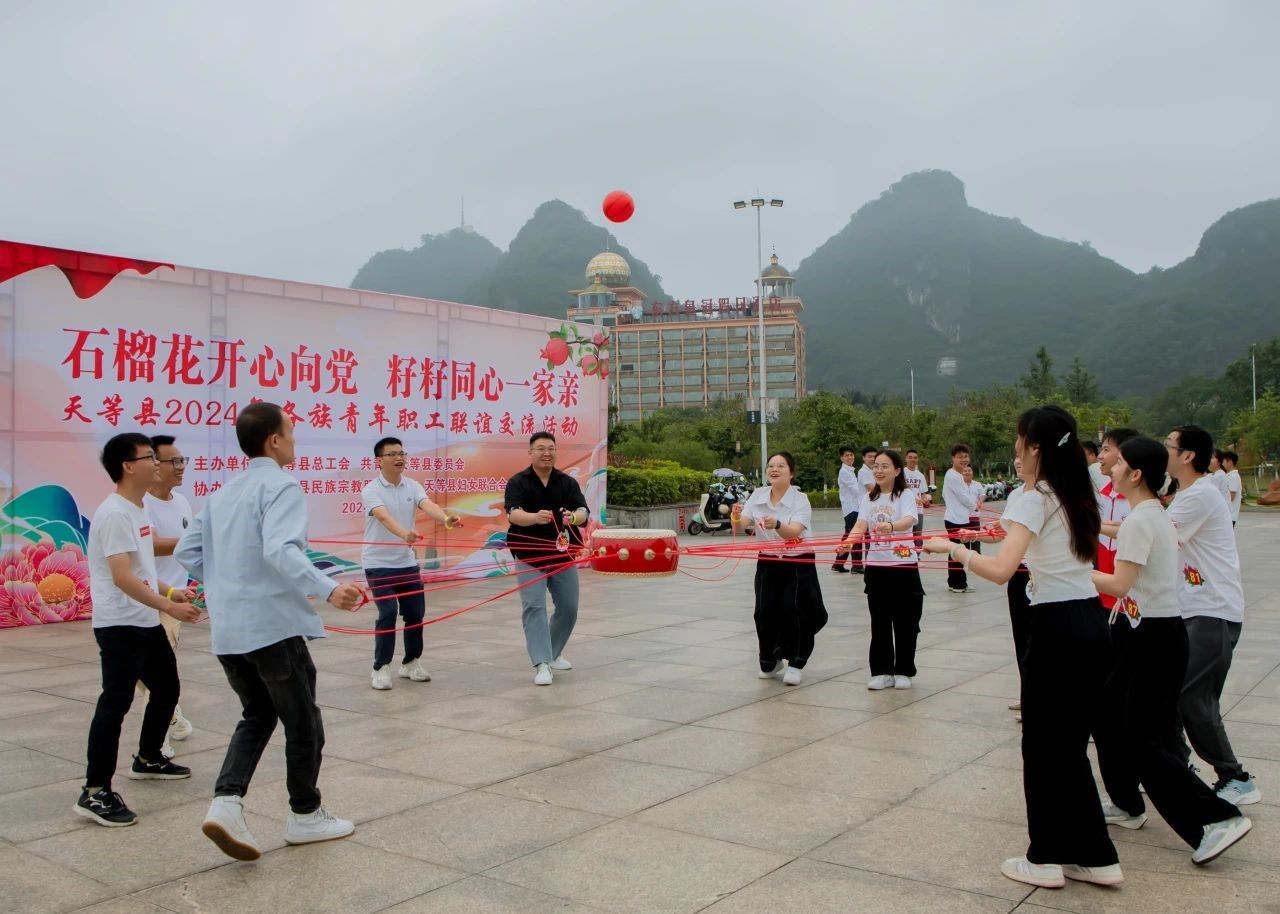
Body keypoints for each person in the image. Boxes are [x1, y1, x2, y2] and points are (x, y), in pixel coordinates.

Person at [925, 406, 1121, 889]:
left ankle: (1046, 857)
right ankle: (1095, 856)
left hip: (1055, 627)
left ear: (1035, 446)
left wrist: (953, 549)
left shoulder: (1032, 499)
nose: (1014, 452)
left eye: (1018, 441)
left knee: (1042, 744)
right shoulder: (1079, 493)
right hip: (1091, 623)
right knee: (1070, 746)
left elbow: (1001, 571)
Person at [177, 403, 364, 860]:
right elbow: (280, 549)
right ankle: (304, 813)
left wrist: (228, 585)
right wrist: (328, 588)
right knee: (304, 722)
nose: (295, 441)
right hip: (273, 629)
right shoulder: (281, 486)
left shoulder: (222, 494)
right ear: (274, 441)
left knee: (257, 716)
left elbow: (187, 552)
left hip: (230, 630)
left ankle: (225, 804)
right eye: (292, 433)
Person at [1091, 436, 1252, 864]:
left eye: (1119, 462)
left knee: (1144, 741)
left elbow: (1119, 584)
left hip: (1153, 638)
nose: (1111, 468)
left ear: (1137, 473)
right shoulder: (1146, 515)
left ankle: (1215, 818)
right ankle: (1128, 804)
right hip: (1140, 631)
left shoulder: (1145, 519)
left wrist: (1066, 571)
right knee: (1117, 721)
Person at [75, 433, 199, 828]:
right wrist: (168, 605)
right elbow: (122, 577)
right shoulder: (113, 514)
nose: (160, 465)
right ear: (128, 466)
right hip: (120, 625)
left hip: (144, 620)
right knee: (115, 702)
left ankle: (148, 757)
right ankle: (95, 792)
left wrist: (170, 589)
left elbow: (143, 568)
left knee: (167, 688)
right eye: (151, 458)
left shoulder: (136, 508)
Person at [1165, 425, 1260, 806]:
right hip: (1194, 608)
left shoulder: (1201, 495)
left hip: (1213, 610)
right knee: (1176, 695)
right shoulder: (1188, 493)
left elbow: (1155, 536)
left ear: (1188, 455)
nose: (1165, 451)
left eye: (1169, 446)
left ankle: (1235, 777)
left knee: (1193, 697)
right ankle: (1178, 767)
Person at [362, 436, 460, 691]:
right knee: (387, 613)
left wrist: (446, 519)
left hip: (406, 564)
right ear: (379, 461)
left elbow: (428, 505)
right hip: (378, 564)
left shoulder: (412, 486)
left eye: (402, 453)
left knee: (416, 614)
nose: (399, 458)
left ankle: (410, 662)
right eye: (392, 454)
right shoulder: (371, 490)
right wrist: (404, 534)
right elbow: (383, 517)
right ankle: (380, 668)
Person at [733, 451, 828, 686]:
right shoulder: (758, 495)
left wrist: (777, 524)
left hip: (798, 561)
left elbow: (794, 531)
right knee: (763, 611)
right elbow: (743, 523)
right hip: (768, 561)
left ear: (791, 472)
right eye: (770, 466)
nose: (774, 470)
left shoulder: (800, 499)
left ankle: (795, 663)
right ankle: (769, 661)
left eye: (780, 466)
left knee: (794, 610)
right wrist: (736, 516)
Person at [504, 431, 588, 686]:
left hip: (562, 553)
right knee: (534, 606)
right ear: (530, 452)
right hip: (529, 554)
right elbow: (513, 514)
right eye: (540, 448)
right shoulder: (518, 481)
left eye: (551, 448)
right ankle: (541, 663)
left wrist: (573, 518)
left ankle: (552, 653)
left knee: (569, 607)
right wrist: (533, 518)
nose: (546, 453)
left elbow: (583, 511)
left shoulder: (567, 482)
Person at [842, 450, 922, 690]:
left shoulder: (905, 494)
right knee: (880, 620)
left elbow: (910, 520)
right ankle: (882, 670)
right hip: (876, 565)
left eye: (885, 466)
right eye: (876, 466)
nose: (878, 470)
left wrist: (890, 525)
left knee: (906, 621)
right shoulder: (869, 498)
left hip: (903, 564)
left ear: (897, 471)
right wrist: (847, 543)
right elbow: (860, 524)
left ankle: (904, 670)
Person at [143, 435, 195, 753]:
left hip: (171, 601)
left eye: (181, 460)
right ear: (153, 464)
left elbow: (184, 549)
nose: (180, 467)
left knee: (158, 670)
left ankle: (164, 726)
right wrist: (195, 541)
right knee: (155, 673)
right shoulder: (141, 504)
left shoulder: (182, 502)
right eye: (173, 461)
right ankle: (161, 734)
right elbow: (150, 545)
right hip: (144, 598)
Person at [942, 444, 979, 593]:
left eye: (965, 456)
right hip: (955, 520)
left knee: (954, 551)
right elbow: (963, 497)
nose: (963, 459)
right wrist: (974, 506)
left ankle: (953, 582)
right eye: (960, 457)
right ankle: (959, 584)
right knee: (958, 552)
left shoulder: (954, 475)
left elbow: (947, 495)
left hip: (957, 518)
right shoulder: (954, 476)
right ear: (953, 458)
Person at [831, 446, 860, 573]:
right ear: (841, 458)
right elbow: (856, 491)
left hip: (853, 508)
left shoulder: (849, 471)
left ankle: (838, 564)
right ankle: (857, 566)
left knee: (848, 536)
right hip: (852, 509)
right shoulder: (844, 472)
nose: (850, 457)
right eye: (847, 455)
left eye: (851, 455)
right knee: (855, 537)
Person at [903, 448, 931, 545]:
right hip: (905, 510)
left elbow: (923, 493)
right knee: (905, 535)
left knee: (918, 536)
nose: (912, 460)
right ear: (906, 459)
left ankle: (917, 556)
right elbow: (899, 491)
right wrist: (913, 500)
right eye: (910, 457)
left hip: (918, 510)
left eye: (915, 458)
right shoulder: (901, 474)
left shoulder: (920, 475)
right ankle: (905, 556)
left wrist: (925, 499)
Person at [1219, 450, 1243, 527]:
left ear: (1230, 462)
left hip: (1230, 515)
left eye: (1224, 461)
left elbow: (1231, 497)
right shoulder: (1229, 476)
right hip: (1227, 515)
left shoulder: (1233, 477)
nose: (1222, 464)